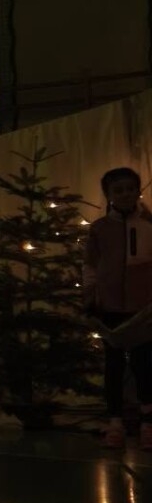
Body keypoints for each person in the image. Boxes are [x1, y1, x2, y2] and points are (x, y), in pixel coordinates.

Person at [83, 166, 152, 447]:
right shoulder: (99, 229)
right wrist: (90, 300)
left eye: (130, 188)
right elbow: (90, 266)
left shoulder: (149, 224)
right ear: (109, 195)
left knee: (145, 365)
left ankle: (148, 422)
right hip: (109, 307)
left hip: (143, 309)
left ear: (138, 191)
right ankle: (115, 422)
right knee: (113, 365)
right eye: (118, 190)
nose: (125, 194)